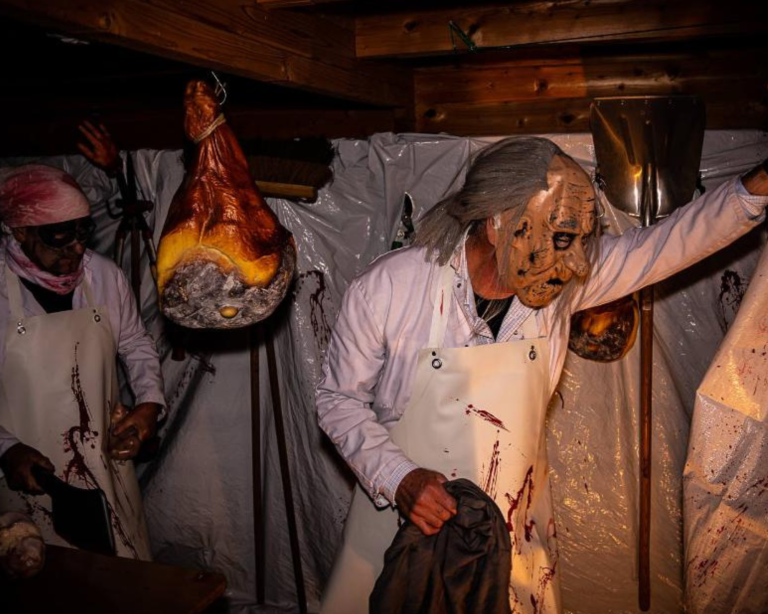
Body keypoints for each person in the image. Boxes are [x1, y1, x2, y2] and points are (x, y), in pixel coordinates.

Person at [316, 137, 768, 613]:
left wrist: (757, 187)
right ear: (497, 225)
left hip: (512, 535)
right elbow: (337, 399)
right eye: (560, 238)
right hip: (404, 530)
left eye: (581, 240)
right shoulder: (392, 285)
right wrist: (399, 477)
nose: (577, 263)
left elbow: (669, 243)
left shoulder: (559, 283)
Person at [0, 162, 166, 560]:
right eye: (60, 238)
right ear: (20, 231)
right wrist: (5, 448)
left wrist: (149, 404)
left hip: (102, 459)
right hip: (23, 469)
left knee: (121, 574)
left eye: (82, 232)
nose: (77, 249)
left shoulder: (104, 276)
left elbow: (135, 343)